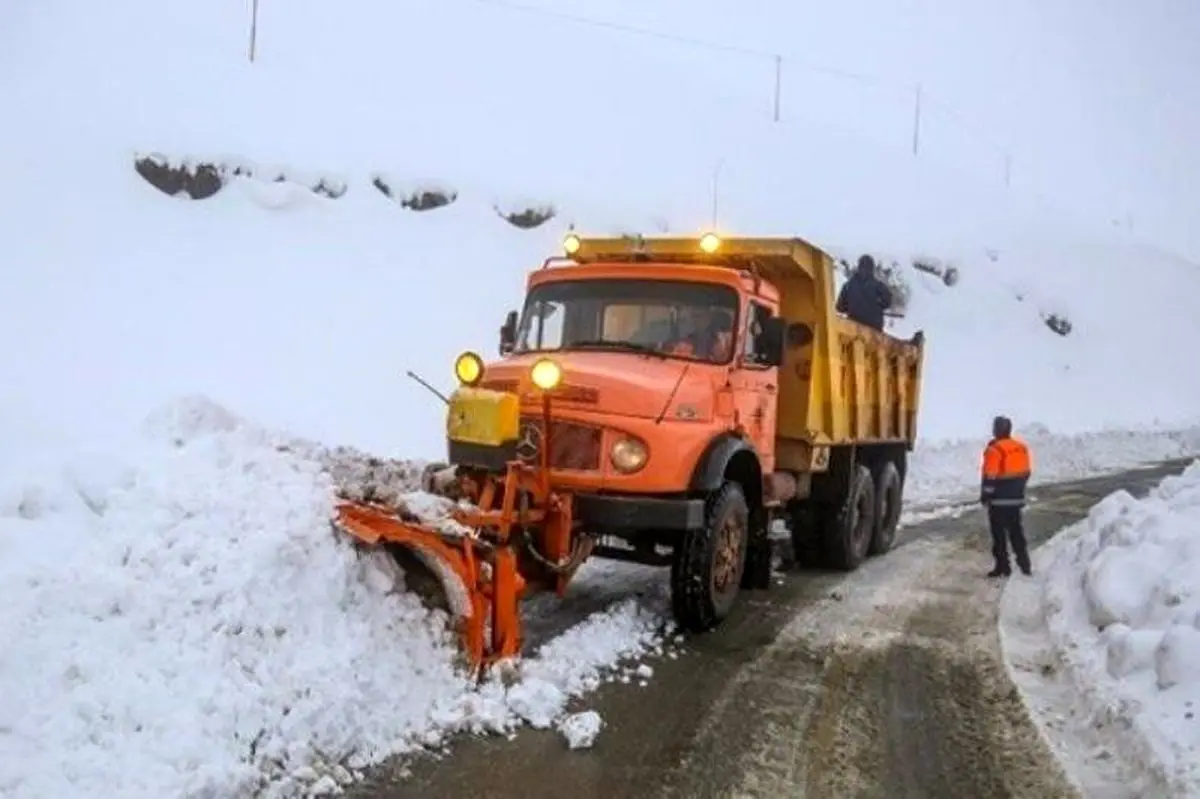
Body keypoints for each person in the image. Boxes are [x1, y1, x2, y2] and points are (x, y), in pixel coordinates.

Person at [980, 415, 1033, 577]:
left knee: (999, 535)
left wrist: (986, 496)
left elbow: (990, 476)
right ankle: (1025, 564)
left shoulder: (994, 450)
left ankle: (1003, 566)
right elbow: (1026, 472)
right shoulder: (1021, 447)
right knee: (1016, 532)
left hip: (998, 501)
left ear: (996, 430)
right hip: (1016, 500)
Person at [836, 254, 893, 331]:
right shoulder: (879, 286)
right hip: (874, 332)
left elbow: (840, 308)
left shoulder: (848, 286)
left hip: (852, 329)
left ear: (858, 267)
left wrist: (852, 307)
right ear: (872, 269)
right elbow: (887, 303)